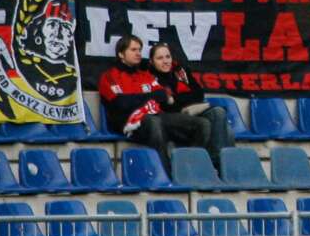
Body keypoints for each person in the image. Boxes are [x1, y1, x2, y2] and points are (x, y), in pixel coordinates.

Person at [98, 35, 229, 169]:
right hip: (129, 122)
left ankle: (188, 168)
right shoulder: (109, 76)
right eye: (133, 50)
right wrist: (150, 96)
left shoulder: (145, 75)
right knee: (154, 122)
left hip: (157, 115)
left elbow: (165, 97)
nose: (138, 53)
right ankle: (165, 174)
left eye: (139, 50)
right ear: (121, 54)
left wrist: (142, 97)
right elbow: (121, 104)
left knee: (203, 124)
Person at [146, 43, 235, 166]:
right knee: (220, 129)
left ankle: (216, 161)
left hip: (192, 112)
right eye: (160, 58)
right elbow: (165, 105)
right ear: (151, 61)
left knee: (219, 113)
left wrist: (177, 100)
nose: (165, 61)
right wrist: (183, 102)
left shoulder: (181, 71)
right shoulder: (149, 77)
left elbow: (198, 94)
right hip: (172, 119)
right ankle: (213, 165)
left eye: (168, 57)